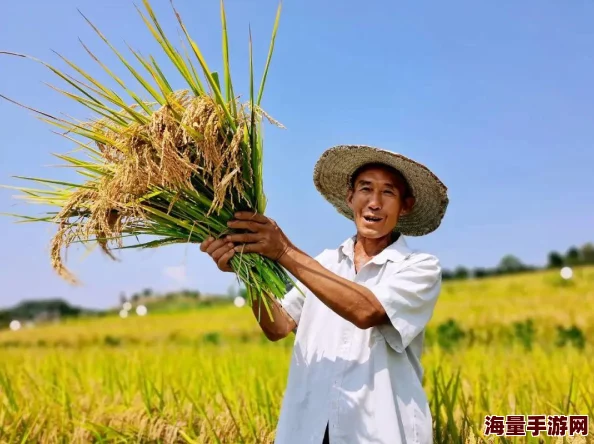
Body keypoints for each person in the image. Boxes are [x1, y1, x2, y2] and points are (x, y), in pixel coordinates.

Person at [200, 144, 449, 444]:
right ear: (350, 198)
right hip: (310, 431)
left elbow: (365, 310)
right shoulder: (326, 264)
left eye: (388, 193)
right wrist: (246, 267)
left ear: (405, 205)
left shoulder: (418, 268)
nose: (374, 203)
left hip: (381, 433)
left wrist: (284, 250)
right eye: (365, 189)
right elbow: (278, 325)